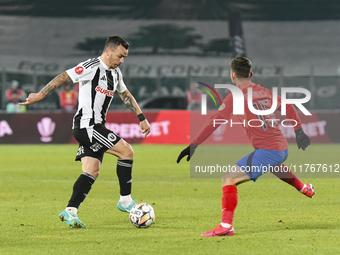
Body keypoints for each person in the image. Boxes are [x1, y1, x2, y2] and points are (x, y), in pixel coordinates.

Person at [20, 35, 151, 229]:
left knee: (91, 171)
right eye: (120, 56)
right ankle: (125, 200)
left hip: (93, 127)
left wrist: (141, 117)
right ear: (108, 51)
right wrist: (40, 94)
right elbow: (65, 76)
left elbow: (125, 94)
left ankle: (70, 211)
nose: (122, 60)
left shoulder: (115, 74)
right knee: (127, 151)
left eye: (125, 57)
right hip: (87, 126)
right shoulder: (92, 66)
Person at [177, 57, 313, 237]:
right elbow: (289, 106)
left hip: (270, 150)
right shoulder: (265, 92)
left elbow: (214, 121)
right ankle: (304, 187)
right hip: (281, 148)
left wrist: (193, 145)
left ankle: (226, 226)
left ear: (232, 74)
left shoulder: (235, 96)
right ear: (251, 74)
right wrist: (299, 132)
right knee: (274, 165)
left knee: (228, 179)